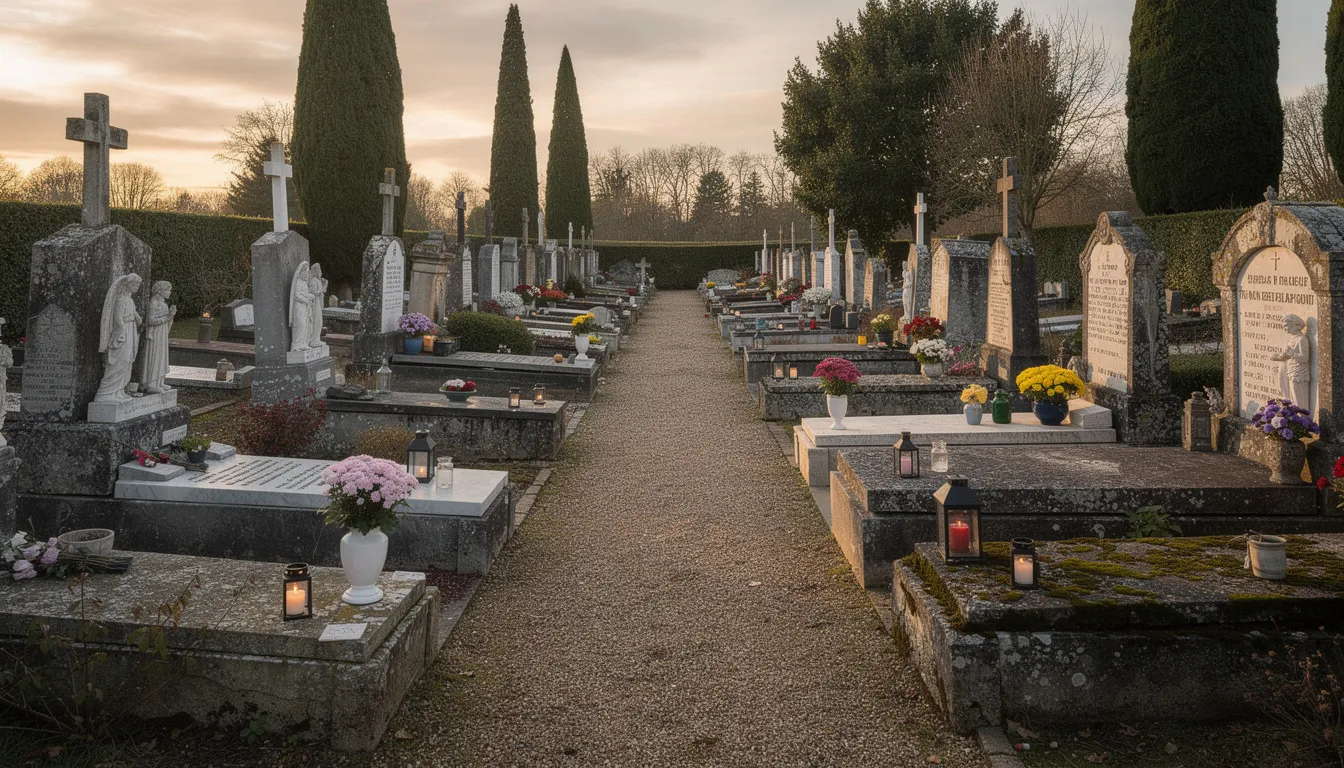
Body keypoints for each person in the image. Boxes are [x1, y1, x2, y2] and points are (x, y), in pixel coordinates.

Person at [95, 274, 143, 403]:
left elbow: (135, 315)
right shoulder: (121, 299)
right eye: (134, 284)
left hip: (130, 330)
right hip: (123, 333)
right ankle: (106, 392)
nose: (136, 287)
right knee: (119, 360)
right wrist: (125, 327)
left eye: (138, 285)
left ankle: (118, 391)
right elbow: (117, 319)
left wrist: (137, 318)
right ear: (127, 284)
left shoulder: (130, 300)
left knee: (127, 360)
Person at [1272, 314, 1313, 412]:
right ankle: (1297, 418)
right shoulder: (1293, 339)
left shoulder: (1302, 339)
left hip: (1299, 373)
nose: (1285, 329)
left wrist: (1291, 355)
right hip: (1292, 371)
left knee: (1299, 398)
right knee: (1293, 397)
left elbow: (1305, 358)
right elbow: (1289, 355)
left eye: (1286, 326)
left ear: (1295, 325)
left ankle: (1303, 420)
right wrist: (1279, 357)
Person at [141, 281, 176, 394]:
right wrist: (168, 317)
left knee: (161, 356)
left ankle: (159, 381)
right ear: (160, 290)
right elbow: (150, 321)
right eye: (167, 290)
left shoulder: (164, 304)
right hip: (155, 334)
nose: (169, 293)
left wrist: (171, 316)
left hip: (162, 333)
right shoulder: (154, 303)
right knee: (155, 356)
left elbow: (166, 321)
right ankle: (152, 383)